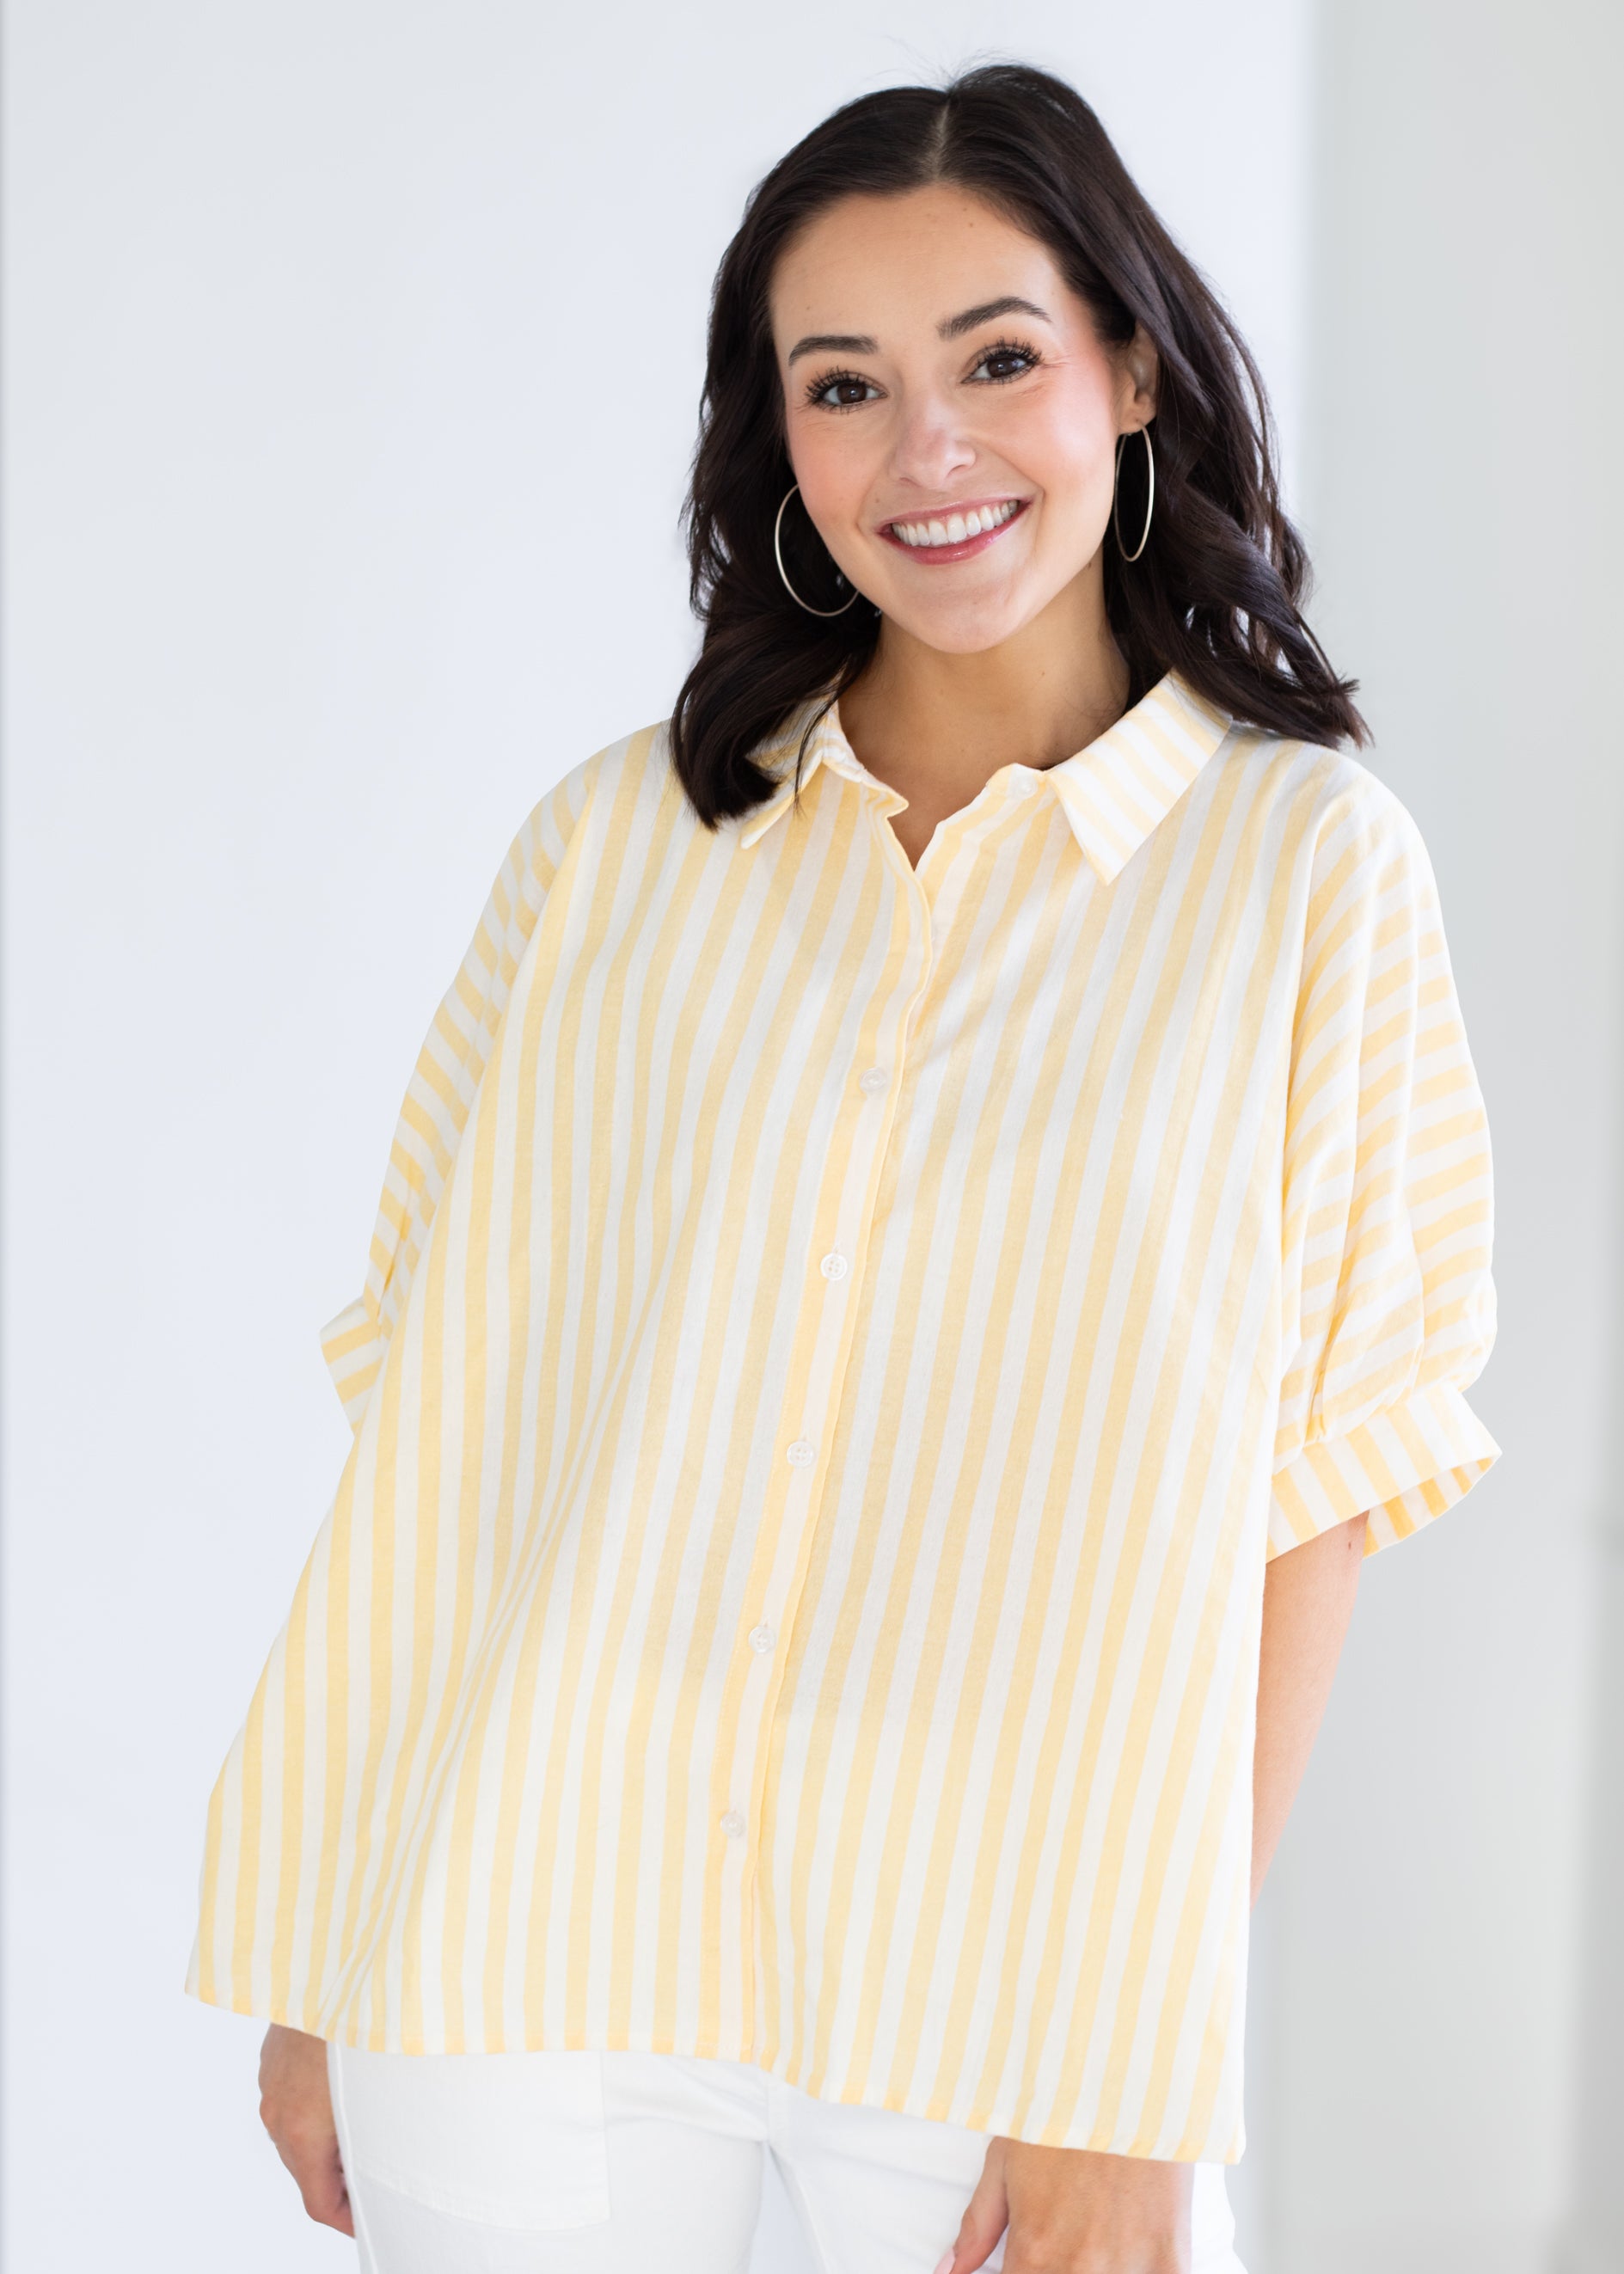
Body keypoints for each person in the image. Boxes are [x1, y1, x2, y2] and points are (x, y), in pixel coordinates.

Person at [188, 60, 1500, 2274]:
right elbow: (454, 1428)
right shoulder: (618, 847)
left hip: (1005, 1992)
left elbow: (1320, 1502)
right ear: (777, 441)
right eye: (844, 385)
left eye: (999, 357)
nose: (934, 450)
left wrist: (1132, 2066)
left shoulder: (1304, 876)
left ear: (1132, 370)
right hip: (518, 1937)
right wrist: (334, 1930)